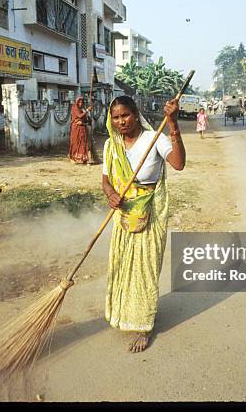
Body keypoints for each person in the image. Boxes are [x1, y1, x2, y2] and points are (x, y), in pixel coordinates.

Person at [102, 95, 185, 353]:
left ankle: (144, 325)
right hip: (124, 214)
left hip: (150, 212)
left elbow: (179, 164)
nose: (121, 122)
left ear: (135, 114)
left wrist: (173, 124)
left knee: (146, 268)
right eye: (116, 118)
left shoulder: (154, 139)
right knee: (124, 266)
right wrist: (111, 194)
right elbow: (105, 180)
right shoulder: (111, 146)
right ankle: (125, 314)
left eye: (125, 115)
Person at [69, 96, 91, 164]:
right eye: (79, 102)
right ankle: (72, 157)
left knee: (83, 143)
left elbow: (85, 118)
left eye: (82, 102)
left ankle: (84, 158)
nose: (81, 103)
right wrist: (87, 110)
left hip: (83, 128)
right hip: (76, 128)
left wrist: (88, 115)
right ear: (77, 102)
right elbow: (79, 116)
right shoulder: (74, 108)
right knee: (75, 142)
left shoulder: (83, 109)